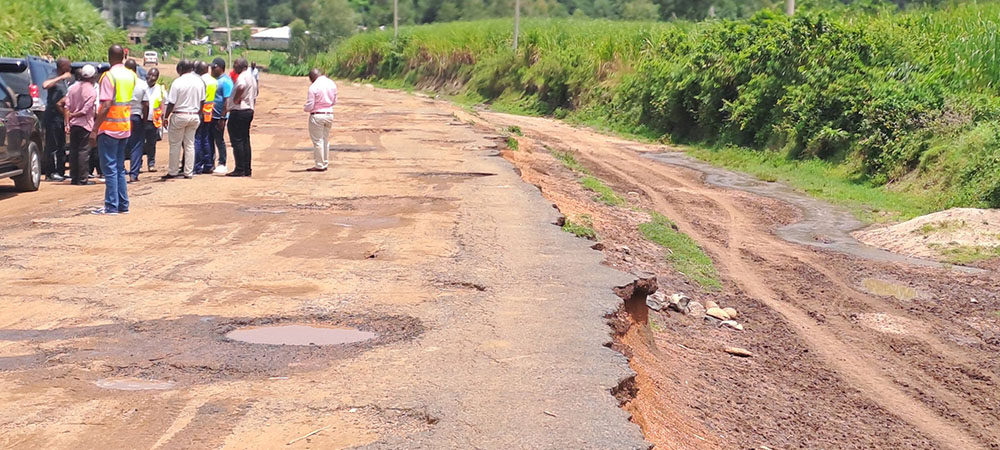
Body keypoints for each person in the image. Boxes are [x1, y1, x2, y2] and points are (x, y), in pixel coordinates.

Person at [91, 45, 137, 215]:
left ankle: (111, 206)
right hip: (124, 126)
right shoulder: (131, 75)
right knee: (118, 167)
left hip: (109, 128)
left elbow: (106, 105)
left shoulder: (108, 76)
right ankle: (123, 205)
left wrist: (95, 129)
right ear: (123, 57)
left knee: (109, 168)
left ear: (110, 57)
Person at [162, 59, 205, 179]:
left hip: (179, 115)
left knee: (175, 144)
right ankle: (188, 172)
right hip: (194, 115)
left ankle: (173, 171)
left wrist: (166, 116)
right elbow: (202, 101)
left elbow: (171, 102)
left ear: (180, 68)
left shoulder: (177, 82)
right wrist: (199, 113)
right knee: (190, 144)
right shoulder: (199, 82)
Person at [63, 64, 97, 185]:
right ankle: (82, 179)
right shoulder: (92, 91)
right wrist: (75, 114)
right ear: (93, 77)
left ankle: (74, 177)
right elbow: (86, 110)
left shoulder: (72, 88)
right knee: (83, 151)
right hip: (85, 124)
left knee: (73, 150)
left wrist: (69, 119)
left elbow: (66, 106)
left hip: (74, 125)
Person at [42, 57, 72, 181]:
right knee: (52, 145)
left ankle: (60, 171)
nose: (70, 67)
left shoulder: (66, 79)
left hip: (61, 115)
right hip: (52, 116)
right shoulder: (54, 75)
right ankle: (50, 172)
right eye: (68, 65)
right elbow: (45, 85)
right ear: (62, 66)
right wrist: (60, 78)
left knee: (62, 145)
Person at [227, 58, 257, 177]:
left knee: (237, 140)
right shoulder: (251, 77)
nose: (234, 68)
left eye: (235, 65)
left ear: (241, 66)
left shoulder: (242, 77)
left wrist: (236, 99)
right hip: (248, 110)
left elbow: (241, 87)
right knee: (245, 140)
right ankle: (246, 168)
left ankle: (240, 168)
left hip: (239, 110)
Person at [303, 68, 338, 172]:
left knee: (318, 141)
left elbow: (310, 105)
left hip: (317, 115)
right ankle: (325, 162)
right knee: (325, 140)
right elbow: (334, 101)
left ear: (312, 78)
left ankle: (319, 164)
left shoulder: (313, 87)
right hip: (329, 114)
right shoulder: (332, 83)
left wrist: (305, 108)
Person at [123, 59, 148, 182]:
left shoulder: (120, 83)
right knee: (136, 146)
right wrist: (144, 119)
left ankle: (120, 171)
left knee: (121, 144)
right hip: (136, 116)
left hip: (121, 116)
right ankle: (134, 174)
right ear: (135, 70)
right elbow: (146, 104)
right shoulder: (142, 84)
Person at [194, 61, 218, 174]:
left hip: (201, 110)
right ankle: (208, 164)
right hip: (210, 111)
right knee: (206, 138)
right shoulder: (214, 81)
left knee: (197, 139)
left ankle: (198, 165)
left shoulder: (200, 81)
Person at [210, 58, 233, 174]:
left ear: (221, 68)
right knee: (209, 140)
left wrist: (223, 118)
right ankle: (210, 162)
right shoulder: (213, 80)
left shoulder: (226, 81)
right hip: (210, 115)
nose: (212, 69)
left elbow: (227, 101)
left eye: (214, 67)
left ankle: (222, 162)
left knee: (219, 140)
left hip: (219, 116)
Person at [142, 68, 164, 173]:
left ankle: (151, 164)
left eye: (153, 76)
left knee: (151, 144)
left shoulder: (159, 89)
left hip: (153, 121)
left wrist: (163, 118)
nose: (151, 77)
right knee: (139, 143)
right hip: (142, 119)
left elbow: (162, 104)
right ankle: (138, 165)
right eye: (149, 74)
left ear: (157, 78)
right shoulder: (142, 87)